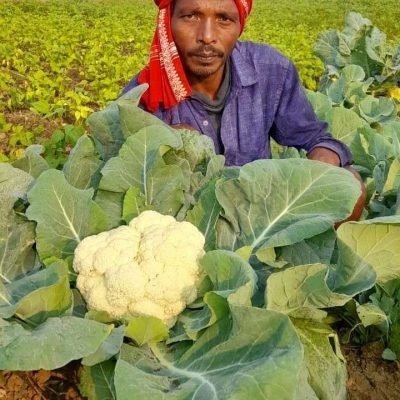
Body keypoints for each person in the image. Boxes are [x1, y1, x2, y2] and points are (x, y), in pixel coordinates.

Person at [123, 0, 366, 220]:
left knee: (348, 183)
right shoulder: (144, 96)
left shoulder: (271, 70)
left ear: (240, 25)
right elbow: (127, 187)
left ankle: (321, 266)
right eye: (191, 17)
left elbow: (315, 138)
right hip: (186, 225)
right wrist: (161, 144)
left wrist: (324, 157)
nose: (207, 36)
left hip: (260, 215)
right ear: (167, 22)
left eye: (223, 19)